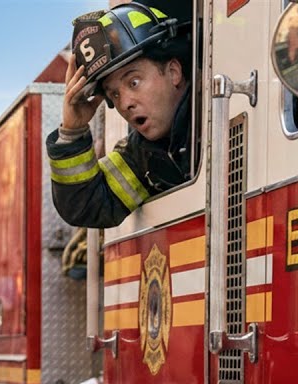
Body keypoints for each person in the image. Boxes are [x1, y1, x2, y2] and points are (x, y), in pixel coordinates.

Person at [48, 3, 193, 229]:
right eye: (113, 93)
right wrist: (72, 131)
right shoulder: (143, 153)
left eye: (133, 82)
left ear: (173, 72)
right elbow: (88, 207)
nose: (124, 103)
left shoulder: (217, 115)